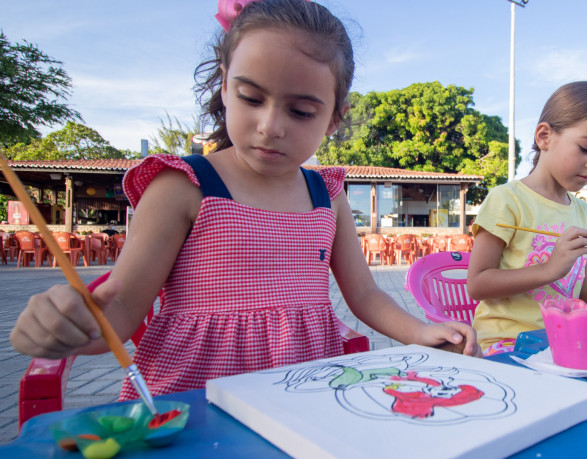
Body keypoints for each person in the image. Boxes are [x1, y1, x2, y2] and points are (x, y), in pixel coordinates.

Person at [10, 0, 480, 401]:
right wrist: (66, 328)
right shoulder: (184, 185)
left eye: (301, 111)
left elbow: (365, 295)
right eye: (251, 98)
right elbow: (121, 306)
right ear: (224, 83)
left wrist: (422, 332)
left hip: (304, 390)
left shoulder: (327, 195)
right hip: (193, 397)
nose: (270, 125)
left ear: (336, 117)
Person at [466, 81, 587, 356]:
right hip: (507, 343)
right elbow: (478, 285)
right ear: (544, 136)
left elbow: (577, 291)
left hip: (562, 340)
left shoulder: (582, 212)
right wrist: (550, 269)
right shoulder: (507, 200)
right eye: (585, 148)